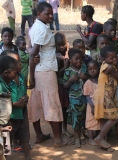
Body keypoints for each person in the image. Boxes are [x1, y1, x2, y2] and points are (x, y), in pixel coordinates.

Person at [28, 2, 71, 147]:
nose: (51, 16)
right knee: (52, 104)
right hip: (45, 72)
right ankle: (58, 139)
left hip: (41, 71)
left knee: (37, 103)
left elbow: (32, 49)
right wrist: (31, 76)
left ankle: (39, 135)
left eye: (51, 13)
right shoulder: (41, 29)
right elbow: (33, 53)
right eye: (47, 13)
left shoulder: (37, 26)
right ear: (38, 14)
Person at [1, 50, 31, 160]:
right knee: (6, 142)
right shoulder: (3, 82)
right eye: (16, 62)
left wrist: (25, 98)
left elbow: (23, 91)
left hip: (22, 113)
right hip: (9, 118)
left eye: (18, 61)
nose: (19, 63)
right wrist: (15, 104)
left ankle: (28, 157)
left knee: (25, 138)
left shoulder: (21, 76)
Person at [93, 46, 118, 150]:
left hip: (104, 94)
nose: (114, 59)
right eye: (111, 58)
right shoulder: (109, 67)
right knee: (114, 118)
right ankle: (100, 138)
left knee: (104, 119)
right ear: (104, 59)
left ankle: (102, 143)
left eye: (115, 57)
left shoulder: (105, 65)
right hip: (104, 95)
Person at [63, 48, 88, 148]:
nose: (79, 61)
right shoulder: (68, 71)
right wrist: (70, 80)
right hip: (74, 99)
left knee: (83, 117)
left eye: (80, 58)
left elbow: (89, 78)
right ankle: (77, 138)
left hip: (85, 97)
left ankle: (81, 135)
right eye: (76, 59)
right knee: (76, 118)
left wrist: (85, 77)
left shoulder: (84, 67)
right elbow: (65, 85)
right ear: (70, 60)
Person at [55, 32, 73, 138]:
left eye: (63, 44)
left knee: (66, 108)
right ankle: (61, 129)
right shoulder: (57, 56)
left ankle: (64, 129)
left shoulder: (67, 51)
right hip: (60, 85)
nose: (62, 47)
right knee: (61, 108)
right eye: (59, 45)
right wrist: (65, 67)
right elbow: (56, 73)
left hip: (68, 84)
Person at [0, 55, 18, 160]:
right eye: (14, 73)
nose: (16, 75)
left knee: (3, 150)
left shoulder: (5, 84)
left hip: (4, 125)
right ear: (6, 73)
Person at [83, 60, 100, 146]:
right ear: (87, 70)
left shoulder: (100, 80)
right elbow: (87, 96)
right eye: (90, 69)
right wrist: (92, 106)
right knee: (90, 121)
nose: (93, 71)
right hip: (91, 106)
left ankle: (98, 137)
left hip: (100, 105)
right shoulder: (88, 82)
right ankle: (90, 138)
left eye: (95, 68)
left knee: (99, 121)